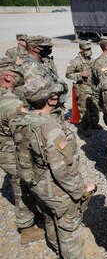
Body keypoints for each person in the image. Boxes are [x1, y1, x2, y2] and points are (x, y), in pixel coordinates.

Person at [11, 78, 97, 258]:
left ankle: (55, 244)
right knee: (68, 227)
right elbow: (61, 169)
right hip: (55, 189)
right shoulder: (51, 129)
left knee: (50, 216)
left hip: (36, 182)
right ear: (51, 99)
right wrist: (81, 190)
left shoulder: (22, 119)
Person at [0, 58, 45, 244]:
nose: (21, 79)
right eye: (18, 75)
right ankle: (26, 228)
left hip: (4, 149)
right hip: (12, 152)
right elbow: (27, 130)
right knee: (23, 186)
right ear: (8, 76)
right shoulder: (12, 105)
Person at [66, 40, 100, 136]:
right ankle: (86, 128)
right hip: (82, 88)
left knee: (94, 106)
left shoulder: (93, 60)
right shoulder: (75, 61)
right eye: (86, 49)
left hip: (93, 87)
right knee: (84, 108)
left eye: (90, 49)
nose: (89, 51)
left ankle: (94, 123)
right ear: (81, 49)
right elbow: (68, 75)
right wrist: (80, 75)